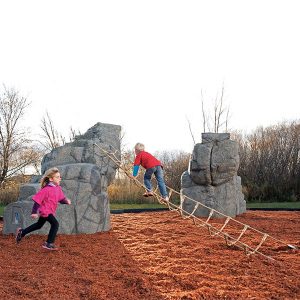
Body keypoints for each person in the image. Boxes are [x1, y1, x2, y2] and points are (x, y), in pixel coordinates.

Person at [15, 167, 71, 251]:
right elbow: (37, 201)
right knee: (55, 224)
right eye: (57, 177)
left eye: (60, 176)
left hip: (50, 211)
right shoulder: (46, 189)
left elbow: (61, 199)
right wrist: (34, 212)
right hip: (45, 211)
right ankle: (49, 243)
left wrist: (66, 201)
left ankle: (22, 232)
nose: (60, 178)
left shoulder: (58, 189)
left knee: (38, 225)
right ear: (51, 179)